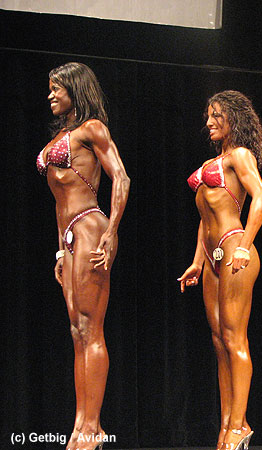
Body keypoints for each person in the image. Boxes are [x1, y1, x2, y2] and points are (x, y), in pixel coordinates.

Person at [37, 62, 130, 450]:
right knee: (77, 332)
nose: (50, 95)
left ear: (75, 89)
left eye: (56, 88)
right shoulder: (60, 136)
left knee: (91, 327)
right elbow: (59, 204)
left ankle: (93, 426)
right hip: (70, 235)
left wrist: (112, 231)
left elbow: (121, 177)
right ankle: (81, 425)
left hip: (92, 227)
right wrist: (61, 249)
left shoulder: (93, 129)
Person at [178, 90, 262, 450]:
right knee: (219, 343)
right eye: (208, 116)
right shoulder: (213, 161)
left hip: (235, 249)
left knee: (234, 339)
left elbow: (261, 199)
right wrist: (197, 262)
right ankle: (228, 424)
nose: (210, 122)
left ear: (235, 118)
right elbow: (205, 218)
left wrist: (245, 246)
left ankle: (239, 424)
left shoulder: (240, 155)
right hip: (212, 255)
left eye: (217, 115)